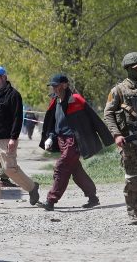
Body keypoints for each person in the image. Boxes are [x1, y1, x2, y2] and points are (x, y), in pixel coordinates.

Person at [38, 74, 113, 211]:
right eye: (53, 86)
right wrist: (50, 137)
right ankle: (93, 197)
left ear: (65, 85)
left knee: (61, 166)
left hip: (74, 141)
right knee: (75, 170)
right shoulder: (55, 101)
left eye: (56, 85)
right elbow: (54, 123)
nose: (54, 88)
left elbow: (93, 118)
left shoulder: (76, 99)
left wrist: (107, 136)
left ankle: (51, 200)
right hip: (61, 140)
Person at [0, 65, 39, 209]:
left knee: (9, 169)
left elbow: (17, 119)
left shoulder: (14, 95)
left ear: (4, 77)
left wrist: (14, 138)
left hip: (5, 139)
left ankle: (32, 187)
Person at [104, 52, 137, 224]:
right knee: (132, 178)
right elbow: (108, 113)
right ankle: (133, 214)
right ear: (128, 69)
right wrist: (117, 134)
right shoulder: (118, 90)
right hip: (129, 141)